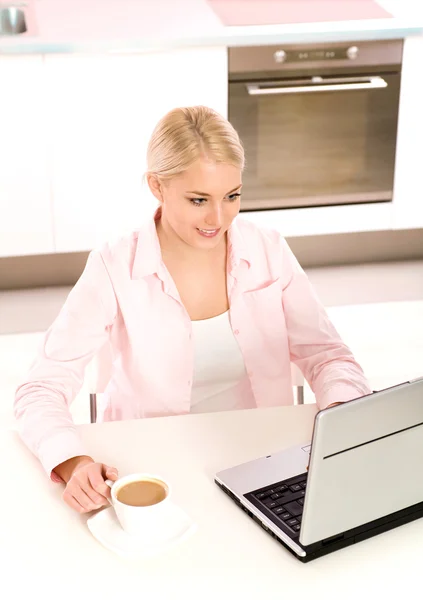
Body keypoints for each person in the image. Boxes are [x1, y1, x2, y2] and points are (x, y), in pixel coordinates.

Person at [14, 105, 371, 515]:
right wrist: (73, 461)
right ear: (157, 186)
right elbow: (41, 387)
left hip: (260, 458)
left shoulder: (268, 249)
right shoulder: (114, 266)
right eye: (198, 199)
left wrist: (343, 419)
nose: (218, 218)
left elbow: (328, 356)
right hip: (151, 467)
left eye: (232, 196)